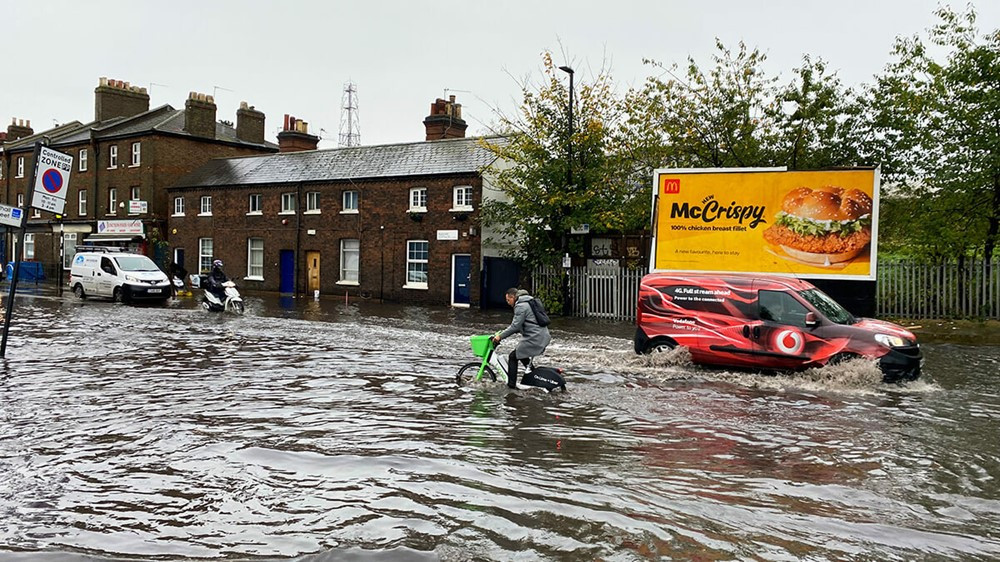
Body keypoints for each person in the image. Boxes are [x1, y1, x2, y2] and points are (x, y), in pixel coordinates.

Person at [491, 288, 551, 389]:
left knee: (513, 357)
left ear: (513, 297)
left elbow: (515, 327)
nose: (508, 303)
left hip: (535, 338)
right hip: (541, 336)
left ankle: (511, 386)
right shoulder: (529, 302)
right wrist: (504, 333)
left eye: (508, 300)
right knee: (522, 355)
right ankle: (534, 376)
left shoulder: (520, 306)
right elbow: (527, 324)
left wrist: (500, 337)